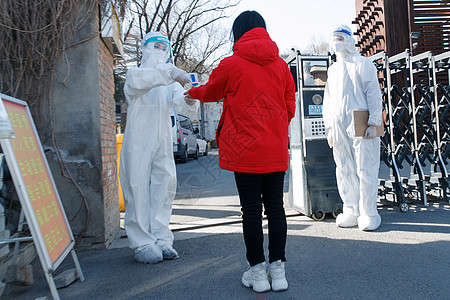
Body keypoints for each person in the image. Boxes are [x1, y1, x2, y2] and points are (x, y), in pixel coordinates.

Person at [185, 11, 295, 292]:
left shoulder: (231, 64)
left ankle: (257, 274)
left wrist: (191, 92)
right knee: (276, 208)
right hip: (275, 151)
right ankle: (278, 271)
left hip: (245, 153)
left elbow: (210, 91)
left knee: (250, 211)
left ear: (238, 32)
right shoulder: (282, 66)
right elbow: (290, 108)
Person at [120, 32, 198, 264]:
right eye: (156, 46)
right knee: (137, 186)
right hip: (139, 137)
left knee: (164, 185)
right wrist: (170, 72)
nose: (160, 51)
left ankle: (161, 237)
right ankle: (142, 242)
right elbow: (142, 82)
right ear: (144, 49)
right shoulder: (135, 74)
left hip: (163, 136)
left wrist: (191, 98)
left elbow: (183, 101)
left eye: (164, 48)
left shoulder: (167, 83)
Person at [322, 25, 383, 231]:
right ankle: (351, 209)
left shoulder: (364, 64)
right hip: (339, 125)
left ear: (349, 40)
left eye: (341, 38)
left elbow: (374, 94)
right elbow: (328, 101)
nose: (337, 42)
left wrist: (375, 123)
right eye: (334, 38)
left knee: (366, 167)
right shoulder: (333, 69)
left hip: (361, 121)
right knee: (344, 167)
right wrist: (329, 127)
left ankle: (369, 212)